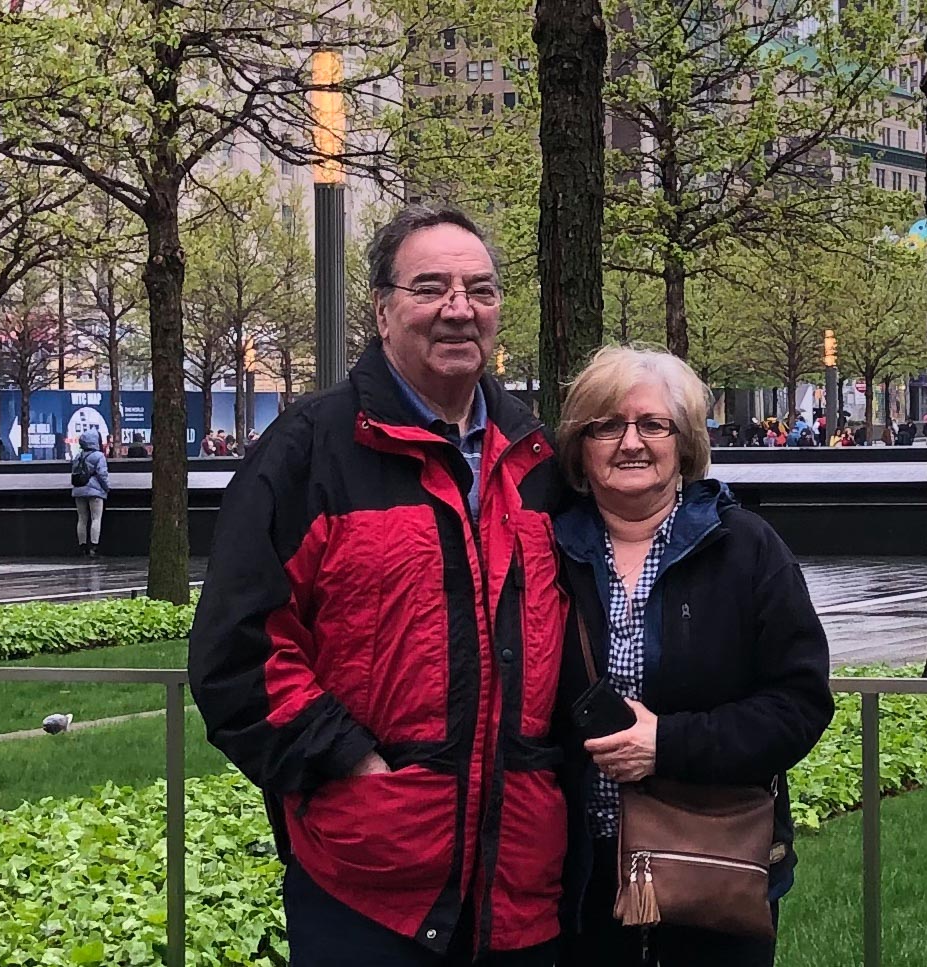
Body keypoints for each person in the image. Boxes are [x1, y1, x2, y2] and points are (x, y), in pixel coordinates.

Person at [188, 206, 568, 967]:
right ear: (382, 308)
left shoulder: (537, 459)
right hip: (367, 884)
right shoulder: (308, 453)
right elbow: (239, 651)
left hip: (519, 887)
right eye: (431, 287)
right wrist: (352, 765)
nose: (459, 309)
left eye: (480, 289)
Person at [553, 346, 834, 967]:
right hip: (568, 880)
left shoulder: (746, 550)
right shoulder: (541, 549)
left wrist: (670, 744)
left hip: (711, 863)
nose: (631, 442)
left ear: (683, 443)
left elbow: (800, 702)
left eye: (653, 425)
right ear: (580, 445)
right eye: (607, 425)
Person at [70, 429, 109, 556]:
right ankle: (94, 547)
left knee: (81, 519)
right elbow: (102, 474)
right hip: (95, 491)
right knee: (96, 519)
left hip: (78, 490)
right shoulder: (99, 456)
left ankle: (82, 547)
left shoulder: (78, 456)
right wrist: (106, 488)